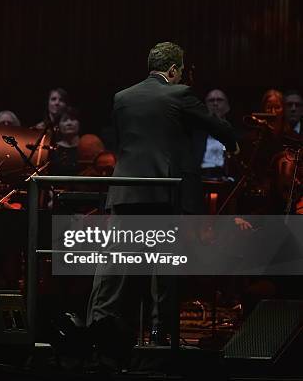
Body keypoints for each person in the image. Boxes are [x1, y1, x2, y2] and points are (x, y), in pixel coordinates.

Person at [86, 42, 238, 362]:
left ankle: (96, 330)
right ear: (173, 70)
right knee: (163, 270)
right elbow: (214, 125)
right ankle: (160, 337)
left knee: (115, 269)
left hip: (126, 193)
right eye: (180, 71)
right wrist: (234, 143)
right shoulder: (179, 94)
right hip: (161, 194)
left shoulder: (122, 98)